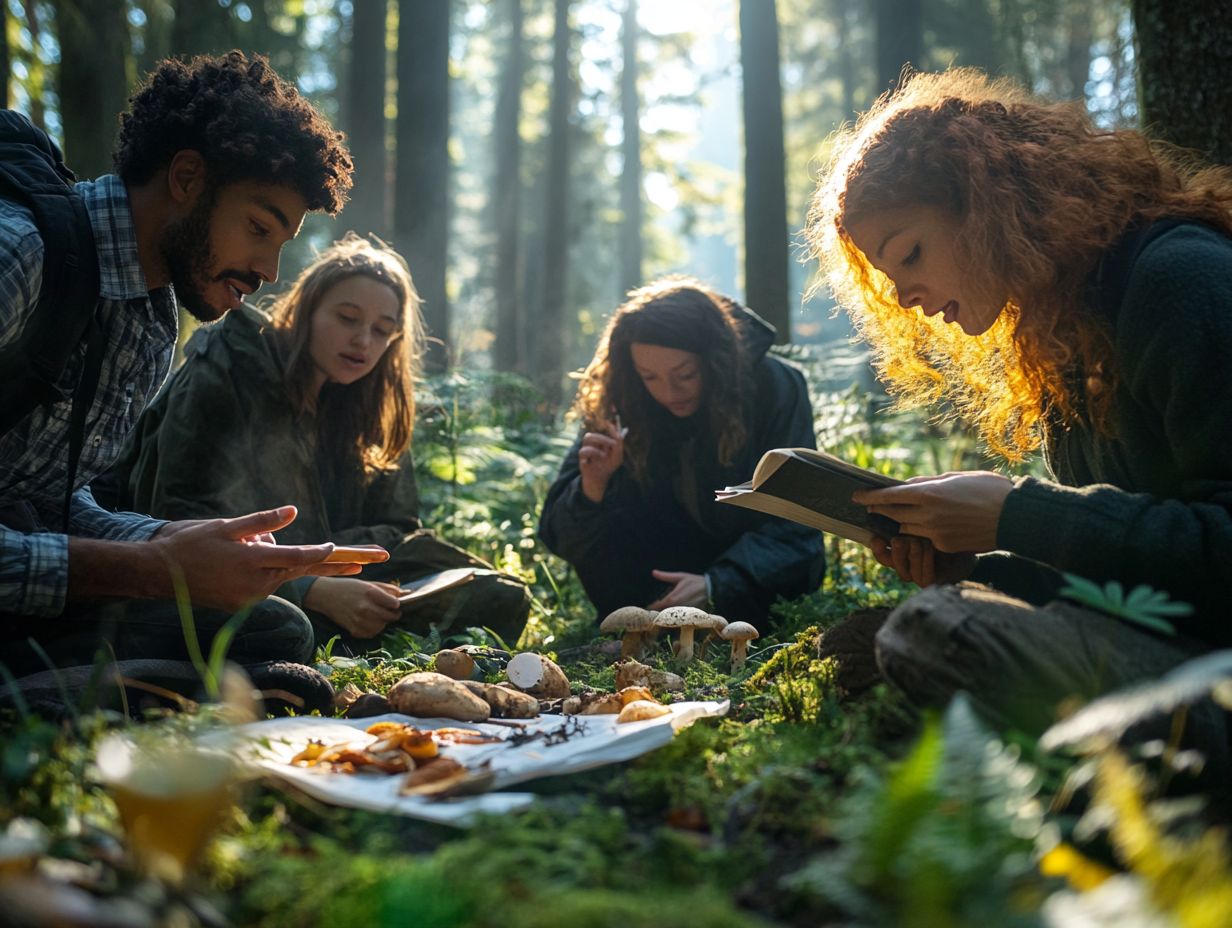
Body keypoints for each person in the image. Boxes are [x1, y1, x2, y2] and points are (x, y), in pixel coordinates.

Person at [805, 67, 1232, 735]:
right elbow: (1131, 588)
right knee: (857, 647)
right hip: (1175, 642)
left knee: (930, 634)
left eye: (910, 254)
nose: (904, 299)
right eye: (888, 280)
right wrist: (977, 563)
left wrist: (1017, 513)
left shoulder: (1177, 280)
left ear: (986, 206)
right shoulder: (1060, 334)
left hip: (1215, 668)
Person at [0, 51, 365, 678]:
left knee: (273, 631)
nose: (269, 272)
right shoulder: (19, 255)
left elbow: (45, 498)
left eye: (281, 245)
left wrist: (166, 542)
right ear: (188, 178)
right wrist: (152, 569)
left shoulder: (151, 319)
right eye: (257, 227)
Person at [108, 234, 532, 649]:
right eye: (347, 318)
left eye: (382, 330)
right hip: (217, 581)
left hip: (340, 571)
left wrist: (339, 564)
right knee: (285, 626)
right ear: (307, 310)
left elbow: (400, 527)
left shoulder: (370, 401)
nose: (363, 341)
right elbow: (175, 516)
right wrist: (312, 585)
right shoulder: (228, 367)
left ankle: (372, 639)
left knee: (501, 595)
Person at [539, 277, 825, 625]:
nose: (669, 392)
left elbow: (797, 527)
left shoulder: (776, 388)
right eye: (650, 377)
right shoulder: (625, 396)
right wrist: (591, 489)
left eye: (685, 374)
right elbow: (560, 538)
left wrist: (716, 583)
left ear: (714, 360)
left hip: (751, 602)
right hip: (647, 601)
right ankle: (635, 631)